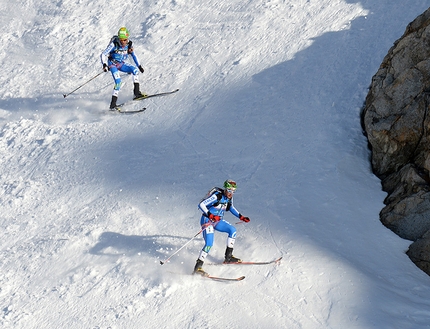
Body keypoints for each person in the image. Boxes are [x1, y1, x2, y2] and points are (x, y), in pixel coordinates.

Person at [193, 179, 250, 275]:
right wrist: (210, 215)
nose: (231, 193)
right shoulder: (217, 196)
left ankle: (228, 257)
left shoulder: (229, 198)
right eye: (229, 190)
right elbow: (201, 205)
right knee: (209, 244)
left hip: (217, 221)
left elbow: (231, 207)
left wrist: (241, 217)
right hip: (207, 221)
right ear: (225, 189)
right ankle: (197, 268)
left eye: (233, 191)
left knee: (233, 230)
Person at [100, 27, 147, 109]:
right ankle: (113, 105)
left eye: (125, 39)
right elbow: (103, 54)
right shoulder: (114, 44)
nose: (124, 42)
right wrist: (104, 64)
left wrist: (139, 66)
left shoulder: (129, 44)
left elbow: (134, 55)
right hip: (112, 64)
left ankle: (137, 93)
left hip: (121, 64)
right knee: (118, 82)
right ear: (119, 38)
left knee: (135, 71)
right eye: (122, 40)